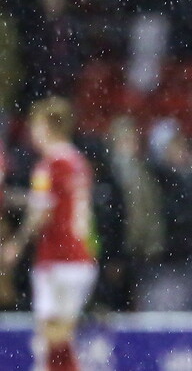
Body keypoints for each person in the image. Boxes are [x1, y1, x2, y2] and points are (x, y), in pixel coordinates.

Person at [1, 97, 97, 371]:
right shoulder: (78, 162)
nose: (32, 133)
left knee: (51, 338)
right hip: (80, 257)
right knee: (60, 340)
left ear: (47, 127)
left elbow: (41, 211)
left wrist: (16, 245)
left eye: (36, 126)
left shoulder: (49, 165)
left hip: (58, 259)